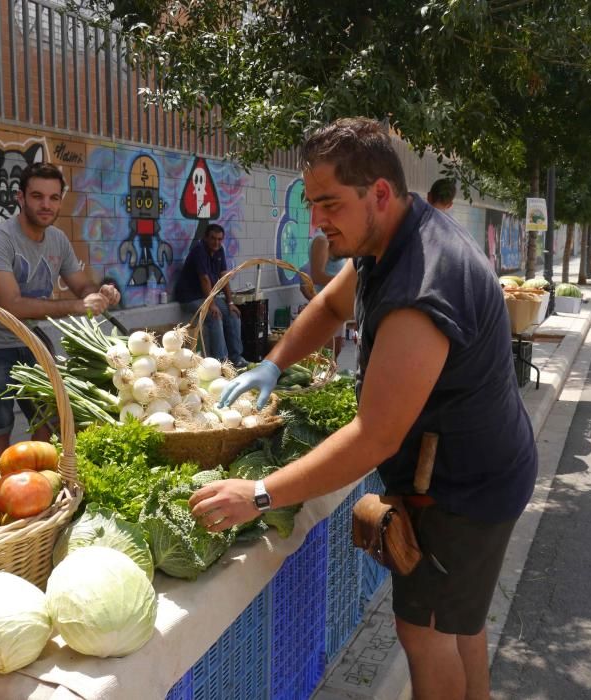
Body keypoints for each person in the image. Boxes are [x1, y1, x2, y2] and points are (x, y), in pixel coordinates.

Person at [189, 118, 537, 700]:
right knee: (460, 622)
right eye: (310, 203)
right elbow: (328, 306)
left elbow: (375, 436)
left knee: (425, 634)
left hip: (464, 492)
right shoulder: (387, 240)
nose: (317, 221)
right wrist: (274, 363)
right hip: (486, 468)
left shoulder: (420, 288)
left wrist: (260, 494)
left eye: (329, 204)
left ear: (379, 192)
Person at [0, 162, 120, 456]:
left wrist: (98, 294)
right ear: (20, 198)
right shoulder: (0, 239)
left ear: (60, 200)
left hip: (29, 338)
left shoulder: (58, 239)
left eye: (53, 197)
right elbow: (13, 306)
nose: (46, 205)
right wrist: (77, 305)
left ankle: (41, 476)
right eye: (37, 196)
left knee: (51, 415)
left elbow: (80, 286)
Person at [174, 223, 245, 367]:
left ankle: (236, 358)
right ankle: (221, 363)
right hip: (190, 298)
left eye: (220, 239)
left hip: (207, 296)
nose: (216, 242)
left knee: (233, 315)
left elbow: (224, 277)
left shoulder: (219, 251)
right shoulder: (198, 251)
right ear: (205, 238)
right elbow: (205, 279)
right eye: (213, 238)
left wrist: (230, 303)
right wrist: (211, 305)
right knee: (215, 317)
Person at [307, 228, 347, 356]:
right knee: (327, 356)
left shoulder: (332, 239)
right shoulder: (322, 240)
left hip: (338, 305)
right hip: (328, 307)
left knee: (335, 353)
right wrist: (347, 282)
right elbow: (317, 276)